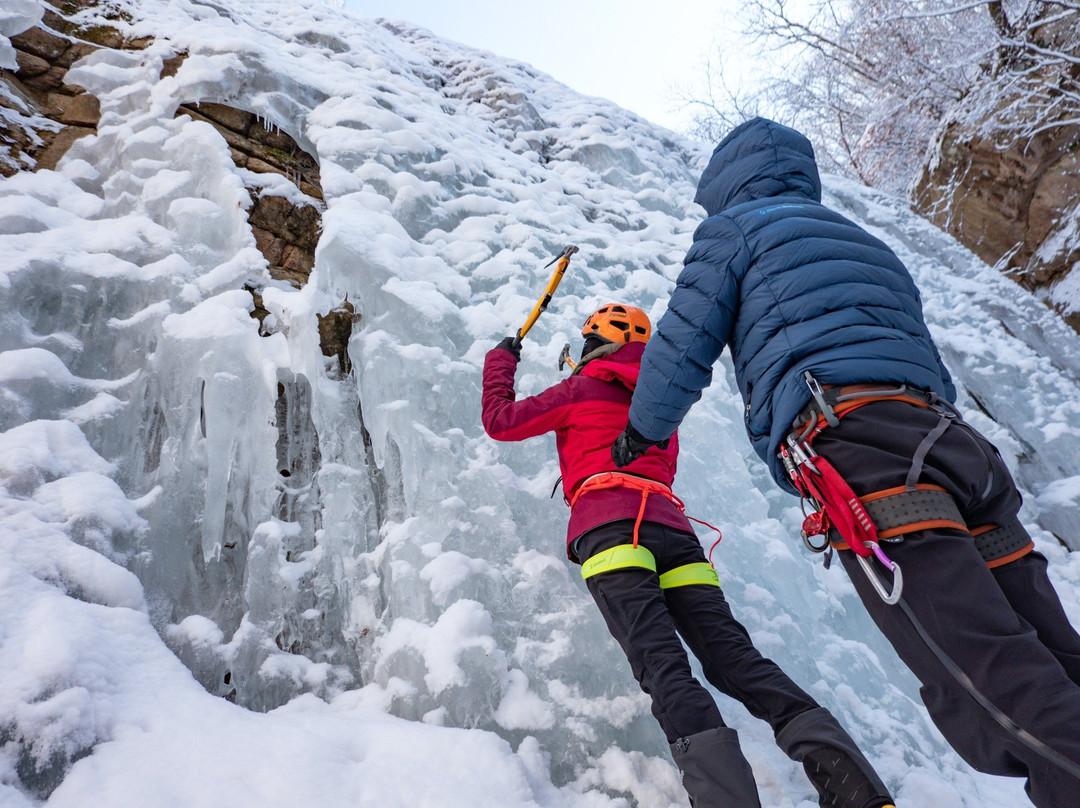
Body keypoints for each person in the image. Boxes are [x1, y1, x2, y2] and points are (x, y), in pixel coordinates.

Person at [611, 116, 1080, 808]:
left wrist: (639, 436)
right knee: (1054, 651)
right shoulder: (866, 242)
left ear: (724, 185)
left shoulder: (734, 230)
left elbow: (682, 345)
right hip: (956, 447)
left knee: (987, 678)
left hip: (864, 452)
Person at [482, 303, 895, 808]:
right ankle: (857, 790)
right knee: (737, 661)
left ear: (592, 345)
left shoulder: (580, 389)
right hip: (675, 532)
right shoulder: (660, 402)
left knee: (664, 667)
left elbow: (501, 422)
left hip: (611, 530)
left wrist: (501, 361)